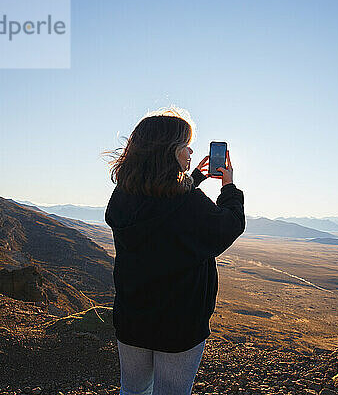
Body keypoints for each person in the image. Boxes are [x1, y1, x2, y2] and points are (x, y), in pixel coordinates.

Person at [104, 107, 245, 395]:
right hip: (179, 323)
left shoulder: (123, 196)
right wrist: (229, 187)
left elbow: (162, 202)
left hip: (133, 316)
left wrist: (194, 177)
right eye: (185, 146)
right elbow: (229, 225)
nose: (191, 151)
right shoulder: (188, 203)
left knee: (132, 390)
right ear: (167, 151)